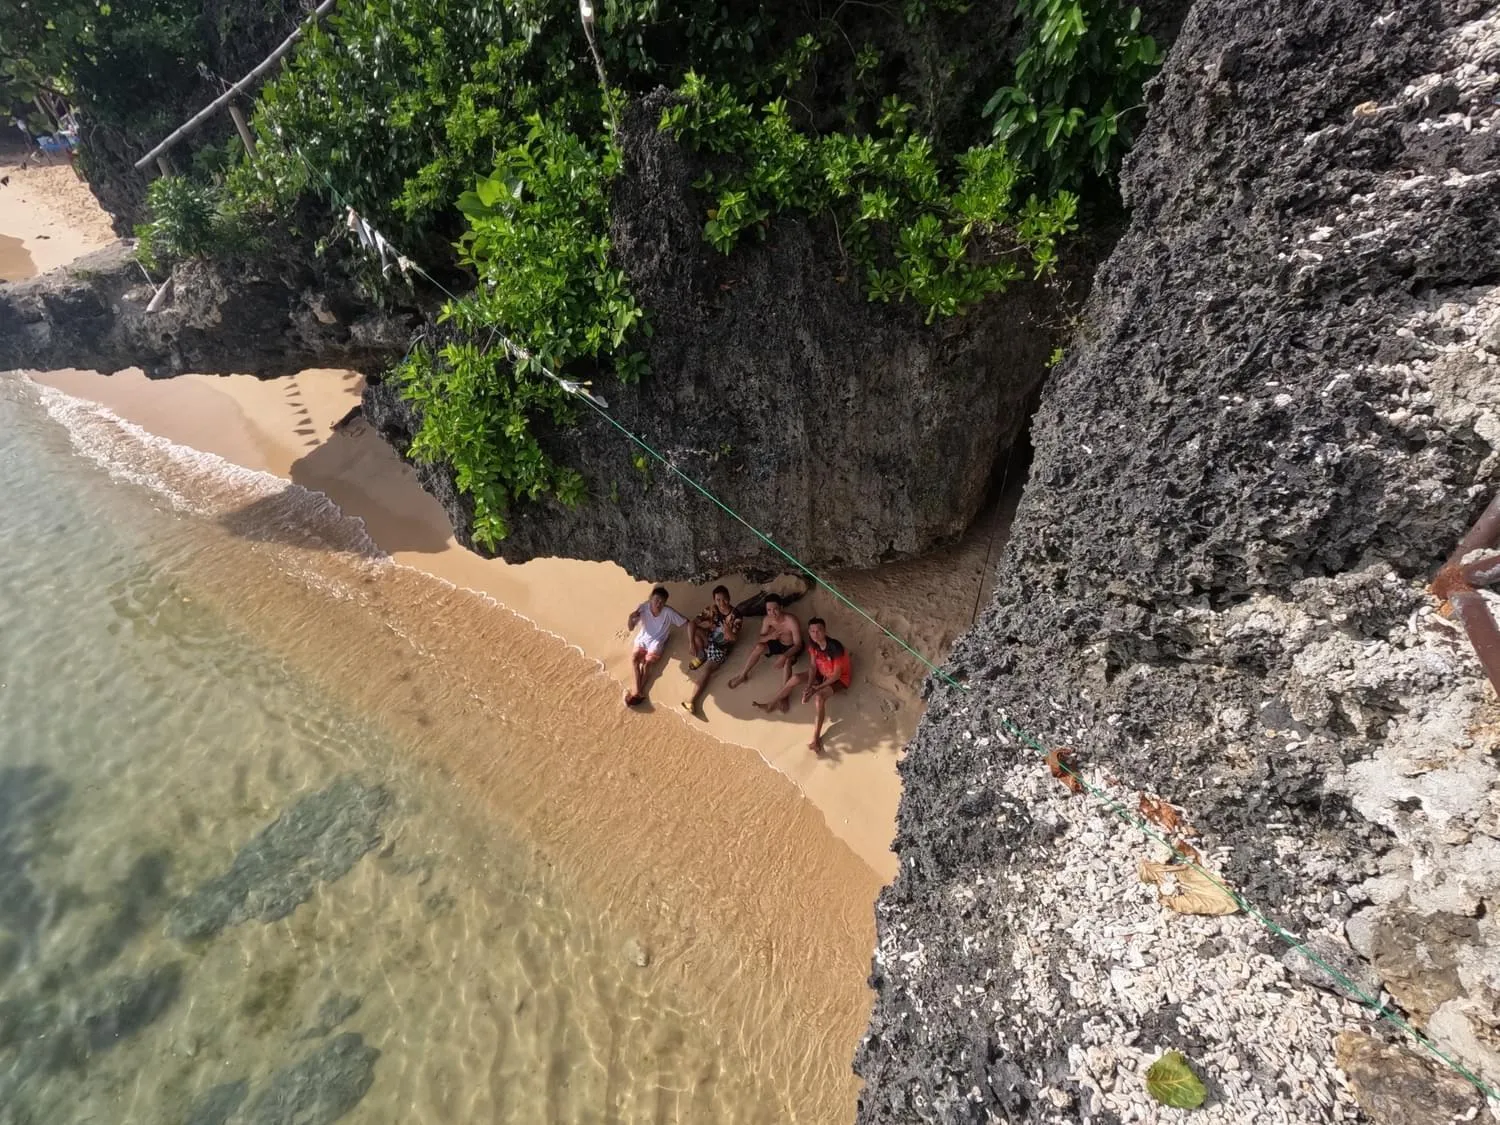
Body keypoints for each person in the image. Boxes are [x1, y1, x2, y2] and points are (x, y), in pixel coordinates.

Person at [753, 617, 852, 753]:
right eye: (812, 631)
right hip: (822, 673)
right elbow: (812, 666)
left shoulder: (836, 649)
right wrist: (809, 685)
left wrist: (817, 688)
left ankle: (815, 739)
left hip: (839, 679)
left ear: (825, 631)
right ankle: (771, 703)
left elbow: (835, 676)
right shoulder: (813, 646)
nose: (815, 634)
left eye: (818, 631)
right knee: (795, 678)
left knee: (819, 698)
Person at [682, 586, 742, 716]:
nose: (722, 603)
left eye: (724, 599)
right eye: (718, 600)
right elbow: (692, 623)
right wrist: (692, 644)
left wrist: (728, 631)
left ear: (729, 598)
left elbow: (733, 639)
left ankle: (691, 701)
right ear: (714, 600)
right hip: (708, 639)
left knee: (706, 671)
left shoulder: (736, 615)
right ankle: (701, 655)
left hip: (721, 648)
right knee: (694, 630)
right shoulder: (712, 609)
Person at [624, 586, 687, 706]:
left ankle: (636, 692)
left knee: (647, 664)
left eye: (662, 602)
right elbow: (631, 628)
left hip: (657, 641)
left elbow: (685, 622)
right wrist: (630, 618)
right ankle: (638, 691)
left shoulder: (668, 612)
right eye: (656, 600)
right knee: (634, 659)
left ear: (665, 603)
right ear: (650, 598)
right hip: (643, 639)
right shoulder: (643, 608)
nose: (658, 604)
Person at [726, 593, 803, 689]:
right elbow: (760, 639)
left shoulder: (791, 621)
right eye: (769, 610)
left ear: (781, 607)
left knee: (787, 662)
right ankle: (743, 675)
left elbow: (798, 644)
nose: (772, 613)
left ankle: (784, 694)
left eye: (775, 609)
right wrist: (770, 636)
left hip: (791, 646)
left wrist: (784, 656)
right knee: (759, 647)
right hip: (778, 643)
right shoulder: (767, 620)